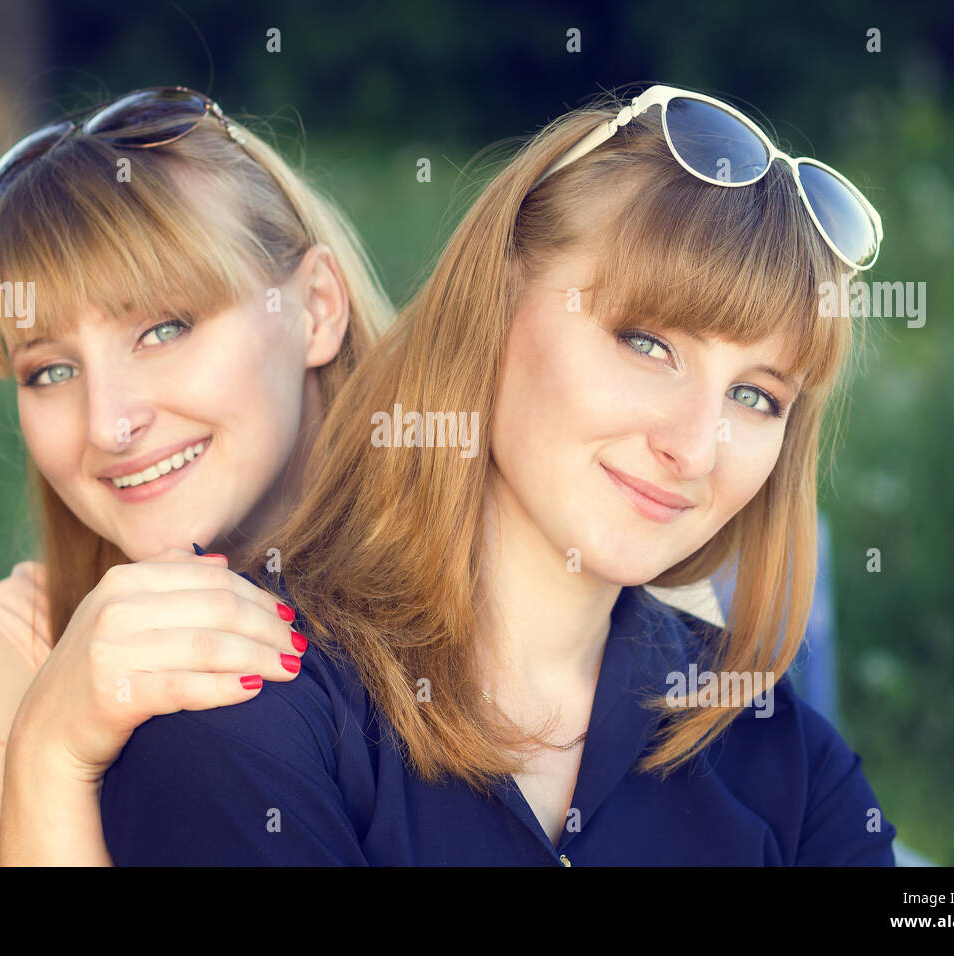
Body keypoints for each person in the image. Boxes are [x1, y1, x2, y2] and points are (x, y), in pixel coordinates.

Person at [99, 85, 897, 864]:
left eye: (756, 396)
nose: (695, 449)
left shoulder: (782, 758)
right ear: (495, 302)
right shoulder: (245, 713)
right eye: (647, 343)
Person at [0, 87, 395, 865]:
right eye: (51, 370)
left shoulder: (483, 560)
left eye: (163, 328)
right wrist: (49, 753)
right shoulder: (0, 661)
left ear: (315, 308)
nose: (108, 424)